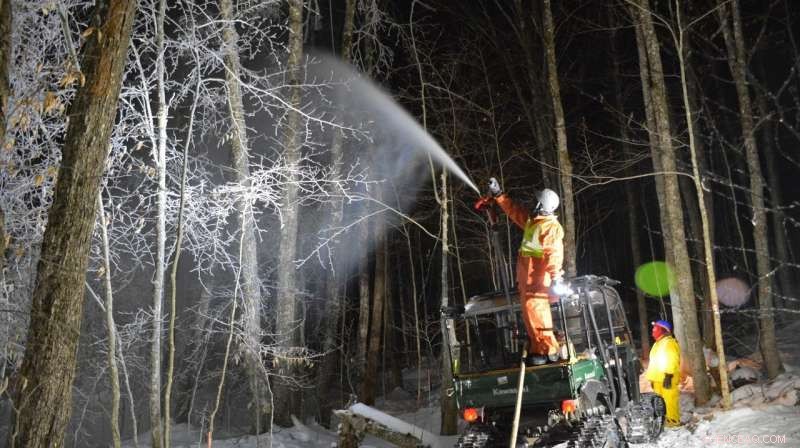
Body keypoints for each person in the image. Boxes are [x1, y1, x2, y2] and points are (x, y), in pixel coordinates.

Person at [487, 178, 564, 365]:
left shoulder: (550, 227)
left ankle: (548, 351)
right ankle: (539, 350)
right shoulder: (534, 223)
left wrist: (556, 278)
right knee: (531, 317)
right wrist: (499, 195)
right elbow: (515, 212)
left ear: (542, 205)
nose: (533, 204)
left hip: (538, 282)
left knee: (538, 316)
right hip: (527, 281)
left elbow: (554, 254)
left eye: (536, 202)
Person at [645, 319, 681, 427]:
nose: (653, 330)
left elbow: (672, 359)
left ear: (663, 330)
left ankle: (673, 422)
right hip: (658, 379)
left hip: (666, 378)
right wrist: (652, 379)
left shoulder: (669, 343)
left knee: (669, 401)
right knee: (659, 403)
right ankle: (664, 421)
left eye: (655, 328)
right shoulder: (657, 344)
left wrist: (669, 375)